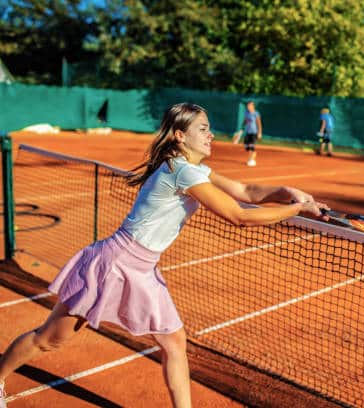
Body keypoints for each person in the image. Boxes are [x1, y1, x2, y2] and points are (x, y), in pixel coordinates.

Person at [0, 102, 328, 408]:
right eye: (203, 128)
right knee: (48, 340)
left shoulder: (193, 168)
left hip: (143, 269)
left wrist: (287, 192)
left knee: (174, 343)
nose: (210, 134)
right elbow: (238, 215)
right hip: (114, 264)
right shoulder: (182, 171)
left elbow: (245, 192)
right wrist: (297, 210)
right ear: (180, 135)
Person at [241, 101, 262, 167]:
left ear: (253, 106)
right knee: (246, 146)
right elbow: (245, 121)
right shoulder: (246, 113)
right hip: (247, 132)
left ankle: (251, 160)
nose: (248, 107)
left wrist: (259, 132)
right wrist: (242, 126)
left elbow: (259, 123)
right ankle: (253, 155)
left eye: (249, 106)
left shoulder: (256, 113)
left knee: (251, 146)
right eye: (247, 106)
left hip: (254, 132)